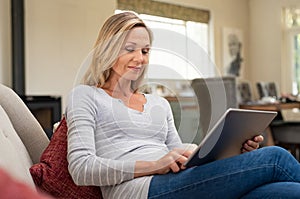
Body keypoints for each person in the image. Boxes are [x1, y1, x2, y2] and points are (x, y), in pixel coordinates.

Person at [66, 11, 300, 199]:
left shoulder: (158, 104)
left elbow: (178, 156)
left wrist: (231, 152)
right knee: (276, 158)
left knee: (286, 192)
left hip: (177, 182)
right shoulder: (85, 96)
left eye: (145, 51)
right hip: (141, 190)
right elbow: (81, 168)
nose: (140, 58)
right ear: (108, 49)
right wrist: (155, 165)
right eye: (130, 49)